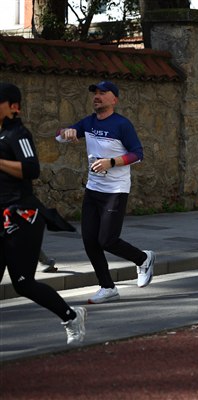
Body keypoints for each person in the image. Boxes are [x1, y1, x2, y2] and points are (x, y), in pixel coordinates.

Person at [0, 82, 87, 345]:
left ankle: (71, 316)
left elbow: (31, 169)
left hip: (23, 217)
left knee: (23, 283)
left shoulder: (18, 135)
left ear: (13, 107)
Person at [56, 81, 155, 304]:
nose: (97, 97)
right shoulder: (88, 122)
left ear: (114, 99)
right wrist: (66, 132)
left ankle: (143, 258)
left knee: (107, 240)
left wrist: (111, 162)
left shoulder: (122, 125)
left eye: (103, 93)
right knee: (90, 241)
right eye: (95, 93)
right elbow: (58, 136)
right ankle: (107, 287)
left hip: (115, 190)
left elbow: (138, 154)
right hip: (93, 190)